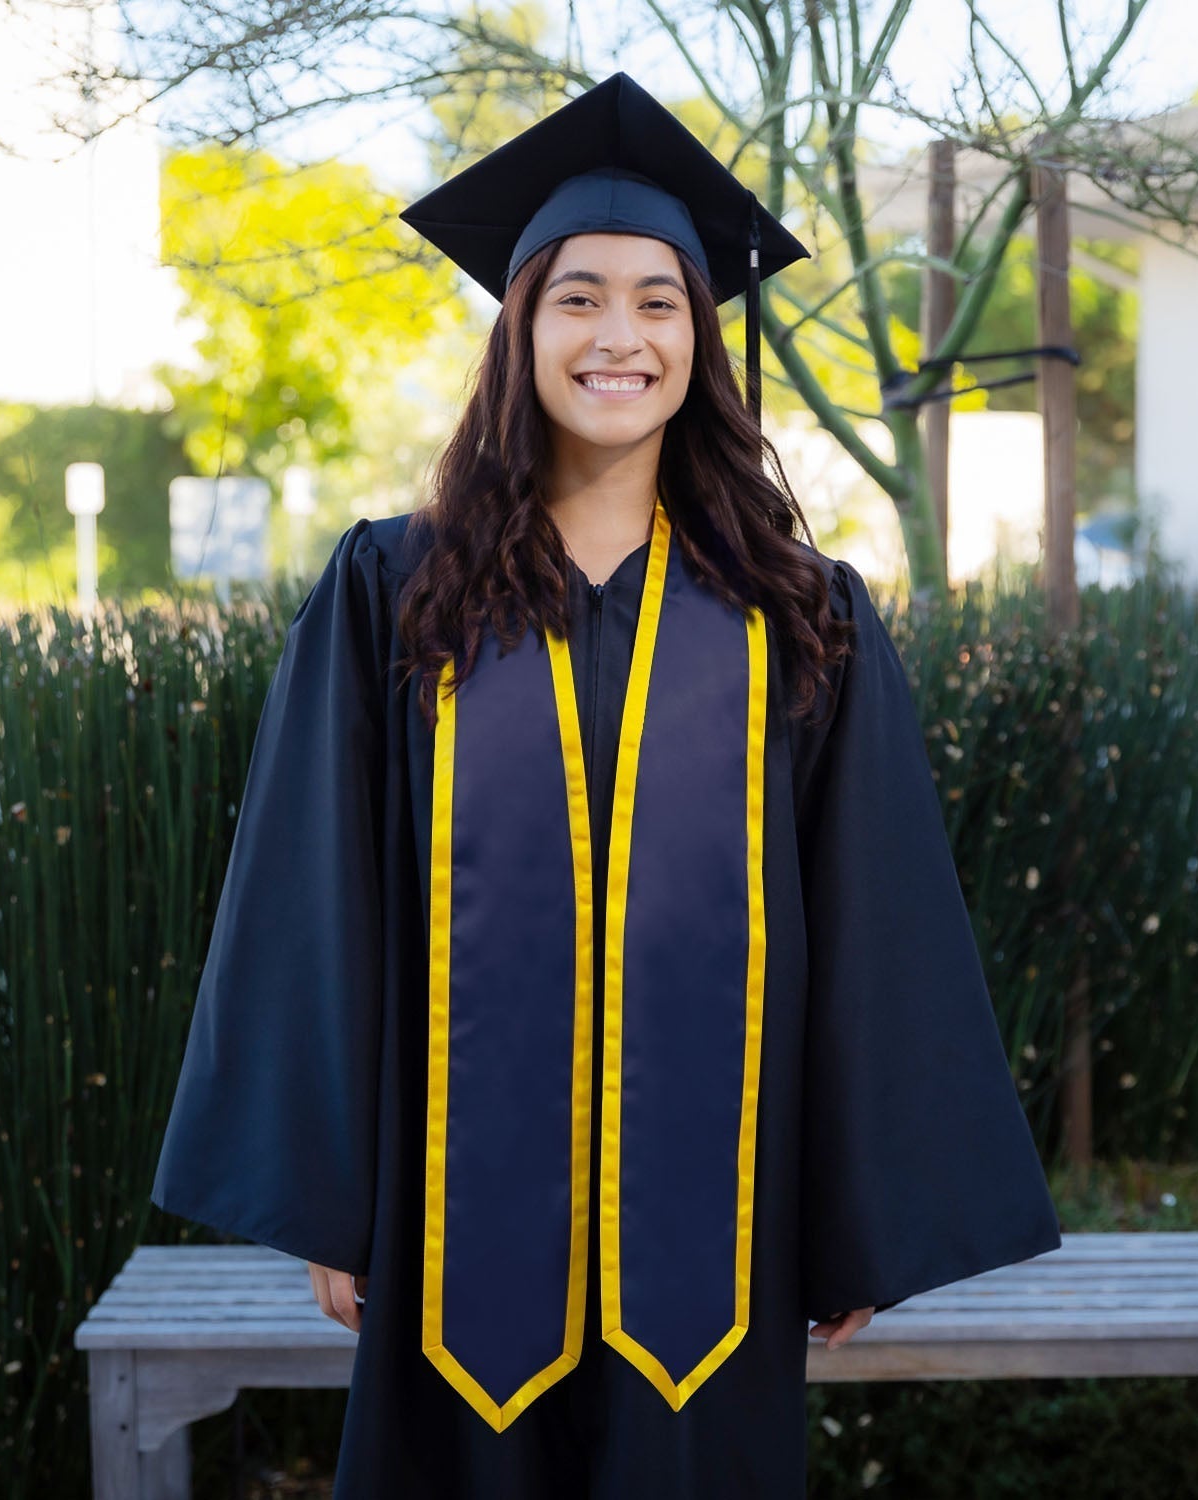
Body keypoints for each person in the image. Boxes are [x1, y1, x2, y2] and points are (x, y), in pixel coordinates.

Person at [150, 71, 1062, 1499]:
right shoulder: (396, 591)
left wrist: (853, 1216)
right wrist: (331, 1195)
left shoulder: (795, 616)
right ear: (518, 332)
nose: (619, 336)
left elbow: (874, 920)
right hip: (454, 1240)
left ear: (701, 336)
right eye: (578, 297)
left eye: (659, 301)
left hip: (714, 1251)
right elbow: (310, 893)